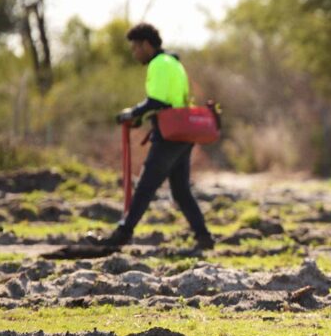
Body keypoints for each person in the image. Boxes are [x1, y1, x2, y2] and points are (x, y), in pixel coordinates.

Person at [49, 23, 214, 259]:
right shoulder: (174, 63)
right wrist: (142, 117)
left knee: (146, 186)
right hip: (182, 133)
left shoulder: (158, 64)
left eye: (136, 48)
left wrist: (132, 113)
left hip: (169, 136)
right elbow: (171, 101)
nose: (134, 53)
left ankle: (123, 233)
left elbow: (156, 101)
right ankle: (204, 237)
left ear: (147, 45)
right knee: (180, 190)